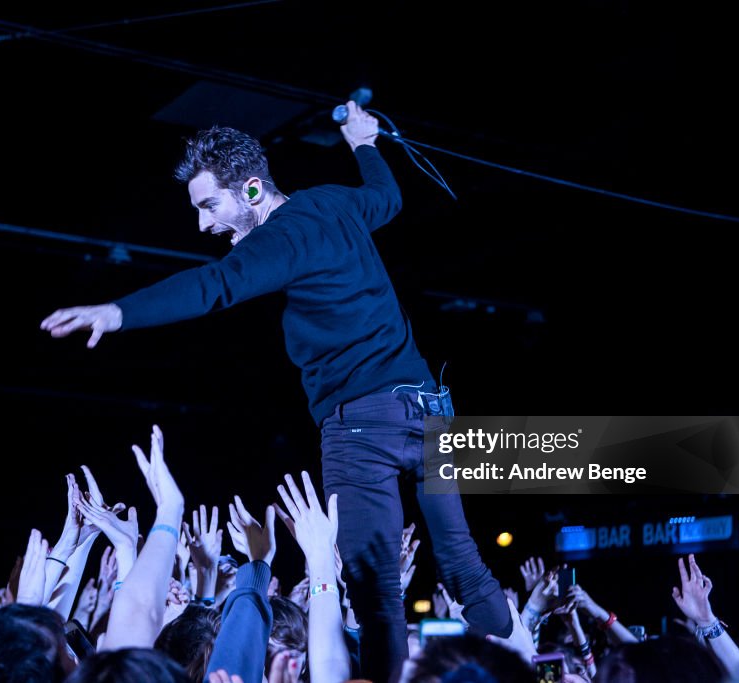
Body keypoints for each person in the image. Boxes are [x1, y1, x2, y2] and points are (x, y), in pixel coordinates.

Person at [40, 100, 512, 681]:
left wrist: (118, 311)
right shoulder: (333, 202)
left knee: (379, 600)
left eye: (210, 205)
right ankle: (518, 658)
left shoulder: (281, 239)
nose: (204, 225)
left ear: (254, 190)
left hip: (363, 427)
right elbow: (387, 196)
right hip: (433, 412)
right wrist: (364, 143)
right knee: (466, 566)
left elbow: (215, 286)